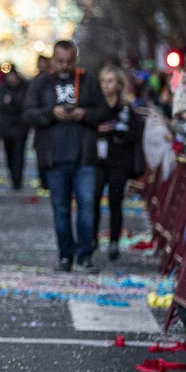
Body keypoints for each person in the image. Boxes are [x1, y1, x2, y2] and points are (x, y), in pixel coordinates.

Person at [22, 39, 113, 271]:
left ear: (75, 60)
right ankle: (65, 255)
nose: (64, 66)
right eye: (60, 61)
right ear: (53, 60)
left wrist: (85, 114)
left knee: (87, 206)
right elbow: (27, 114)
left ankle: (85, 254)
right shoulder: (41, 83)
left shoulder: (88, 81)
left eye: (69, 62)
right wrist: (51, 113)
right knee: (61, 209)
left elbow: (104, 111)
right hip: (54, 157)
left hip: (84, 156)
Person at [93, 65, 141, 261]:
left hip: (119, 162)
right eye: (103, 81)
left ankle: (114, 241)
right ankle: (92, 238)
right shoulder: (96, 107)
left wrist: (116, 131)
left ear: (120, 85)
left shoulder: (127, 110)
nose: (106, 85)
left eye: (110, 81)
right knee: (92, 199)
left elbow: (134, 134)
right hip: (98, 161)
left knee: (115, 202)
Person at [0, 64, 31, 190]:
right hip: (6, 127)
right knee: (9, 154)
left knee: (19, 154)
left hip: (20, 127)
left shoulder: (25, 87)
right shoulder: (3, 88)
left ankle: (17, 179)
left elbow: (26, 103)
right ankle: (13, 176)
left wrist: (13, 100)